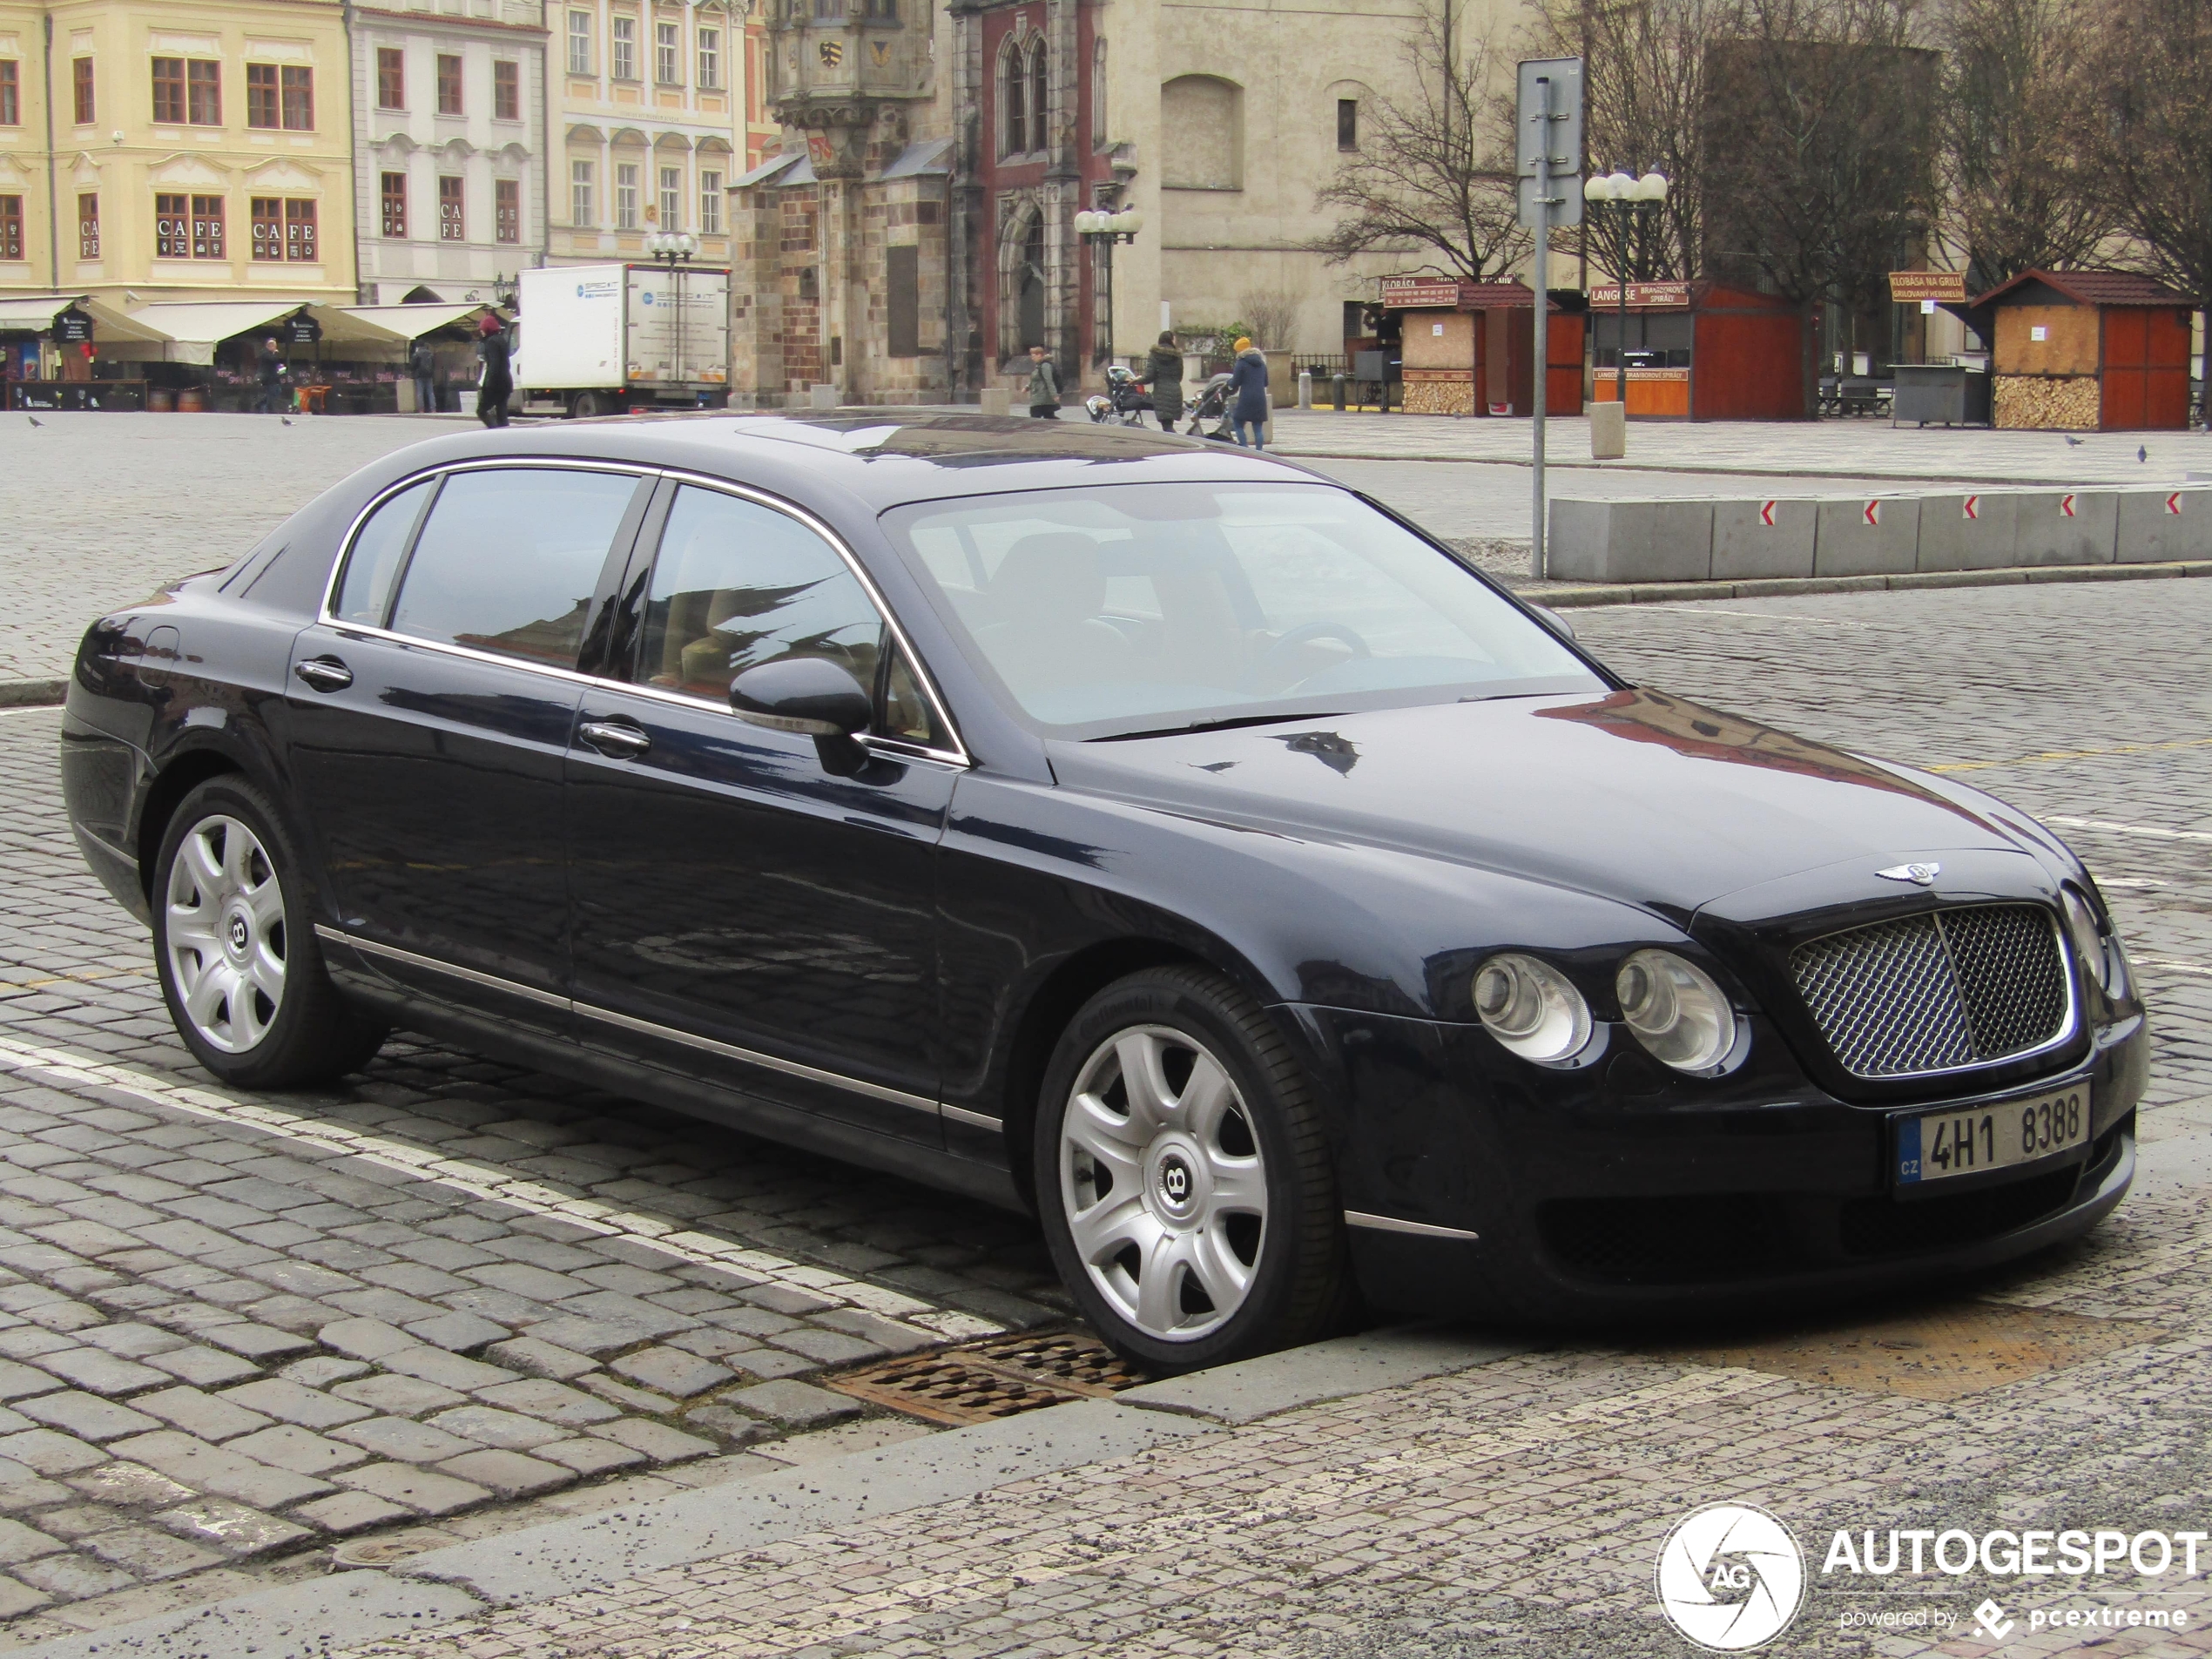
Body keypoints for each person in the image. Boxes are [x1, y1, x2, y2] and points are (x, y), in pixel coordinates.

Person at [1227, 335, 1268, 449]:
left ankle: (1245, 447)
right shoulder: (1261, 363)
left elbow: (1235, 382)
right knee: (1258, 427)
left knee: (1238, 422)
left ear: (1240, 350)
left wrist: (1229, 382)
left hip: (1246, 398)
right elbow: (1265, 382)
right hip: (1260, 398)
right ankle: (1260, 451)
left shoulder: (1241, 363)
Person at [1138, 331, 1184, 433]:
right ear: (1171, 340)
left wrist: (1136, 381)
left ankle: (1176, 444)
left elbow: (1149, 377)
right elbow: (1179, 376)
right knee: (1168, 424)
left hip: (1161, 393)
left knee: (1167, 426)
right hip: (1176, 392)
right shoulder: (1177, 357)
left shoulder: (1154, 355)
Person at [475, 313, 513, 428]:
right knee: (501, 412)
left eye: (482, 329)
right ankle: (505, 434)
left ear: (487, 328)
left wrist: (488, 384)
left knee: (481, 410)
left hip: (495, 384)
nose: (481, 331)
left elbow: (494, 365)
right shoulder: (502, 340)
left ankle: (494, 431)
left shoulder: (491, 342)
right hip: (506, 382)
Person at [1025, 344, 1061, 418]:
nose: (1032, 358)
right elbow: (1035, 380)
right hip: (1038, 397)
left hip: (1043, 398)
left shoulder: (1045, 366)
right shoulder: (1038, 366)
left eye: (1033, 356)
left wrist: (1054, 395)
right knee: (1048, 417)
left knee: (1035, 418)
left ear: (1039, 355)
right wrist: (1027, 387)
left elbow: (1049, 381)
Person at [256, 337, 287, 415]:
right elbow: (273, 360)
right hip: (268, 377)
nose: (275, 348)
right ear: (269, 346)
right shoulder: (265, 353)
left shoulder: (272, 354)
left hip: (274, 377)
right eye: (274, 346)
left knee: (276, 391)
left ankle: (261, 404)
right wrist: (276, 353)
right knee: (271, 392)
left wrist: (282, 371)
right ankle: (266, 408)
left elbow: (277, 363)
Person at [409, 338, 438, 415]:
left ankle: (421, 410)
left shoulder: (416, 354)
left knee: (420, 392)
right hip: (429, 375)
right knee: (430, 392)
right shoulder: (430, 353)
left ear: (417, 346)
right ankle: (433, 409)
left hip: (419, 375)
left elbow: (412, 365)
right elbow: (434, 364)